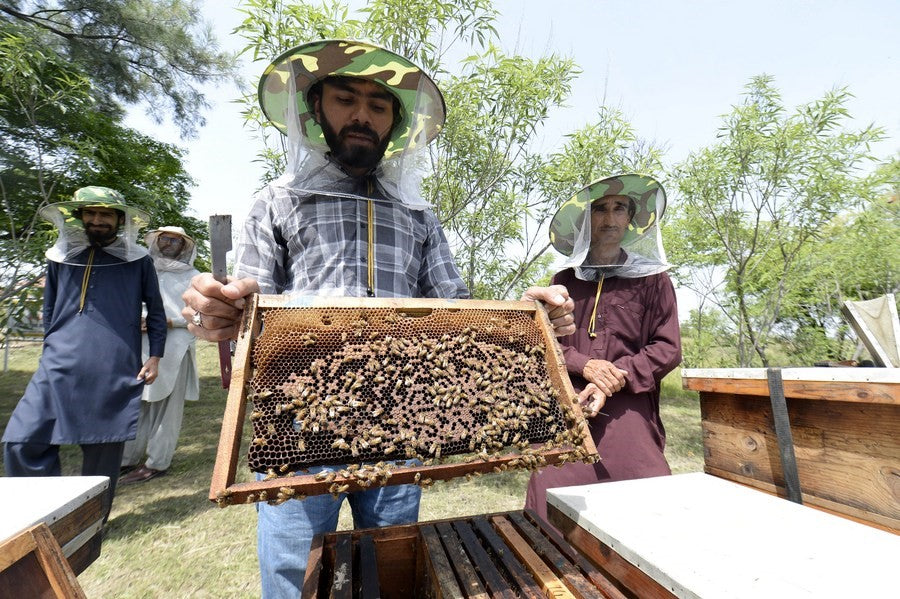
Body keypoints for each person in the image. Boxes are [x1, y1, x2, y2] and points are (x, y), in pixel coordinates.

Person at [181, 39, 575, 597]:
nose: (362, 115)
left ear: (395, 123)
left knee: (392, 568)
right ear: (316, 110)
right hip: (301, 423)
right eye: (346, 99)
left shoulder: (418, 214)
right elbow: (246, 302)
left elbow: (456, 311)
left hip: (402, 421)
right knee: (297, 574)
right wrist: (219, 309)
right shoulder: (277, 201)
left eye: (379, 105)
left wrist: (528, 318)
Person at [525, 174, 682, 523]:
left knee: (648, 504)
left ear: (630, 219)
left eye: (619, 208)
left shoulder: (654, 280)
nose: (610, 218)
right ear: (586, 220)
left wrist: (615, 377)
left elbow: (668, 348)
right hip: (569, 403)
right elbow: (547, 343)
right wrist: (585, 366)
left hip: (629, 403)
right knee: (551, 502)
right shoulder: (563, 281)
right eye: (600, 209)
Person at [2, 186, 166, 520]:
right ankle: (43, 516)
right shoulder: (60, 257)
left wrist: (155, 355)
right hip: (59, 360)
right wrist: (49, 349)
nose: (97, 220)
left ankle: (90, 522)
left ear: (119, 220)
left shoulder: (138, 261)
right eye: (90, 213)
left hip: (114, 362)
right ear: (79, 217)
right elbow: (50, 310)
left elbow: (156, 310)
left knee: (102, 448)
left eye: (105, 214)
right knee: (22, 440)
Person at [120, 227, 200, 484]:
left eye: (175, 240)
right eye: (164, 238)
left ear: (184, 245)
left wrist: (170, 321)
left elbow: (200, 316)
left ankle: (157, 463)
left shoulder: (194, 277)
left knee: (167, 409)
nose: (168, 243)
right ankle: (127, 459)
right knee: (138, 403)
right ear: (156, 241)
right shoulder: (144, 269)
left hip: (175, 347)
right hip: (141, 345)